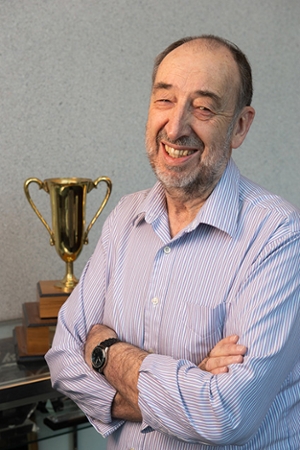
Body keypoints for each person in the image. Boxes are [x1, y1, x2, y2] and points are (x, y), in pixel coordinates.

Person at [45, 35, 300, 449]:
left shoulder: (279, 234)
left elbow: (225, 414)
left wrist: (107, 352)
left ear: (239, 125)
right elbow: (62, 359)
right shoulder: (126, 218)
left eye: (203, 107)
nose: (177, 127)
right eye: (165, 100)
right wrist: (190, 379)